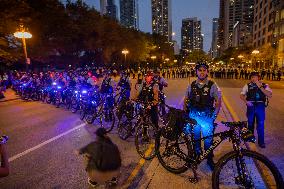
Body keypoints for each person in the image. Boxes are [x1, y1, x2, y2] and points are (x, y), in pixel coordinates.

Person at [184, 62, 221, 171]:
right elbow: (186, 100)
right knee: (195, 138)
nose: (202, 72)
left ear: (207, 72)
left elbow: (218, 102)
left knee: (208, 140)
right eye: (200, 70)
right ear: (196, 72)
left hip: (206, 118)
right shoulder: (191, 85)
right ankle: (196, 155)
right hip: (194, 117)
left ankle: (209, 158)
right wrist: (185, 113)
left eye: (204, 70)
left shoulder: (212, 85)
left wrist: (214, 116)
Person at [240, 71, 272, 148]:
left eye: (255, 77)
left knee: (260, 124)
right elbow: (241, 95)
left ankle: (261, 142)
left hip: (260, 106)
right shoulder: (247, 85)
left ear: (258, 77)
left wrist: (260, 87)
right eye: (252, 77)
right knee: (250, 124)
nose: (253, 78)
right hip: (251, 106)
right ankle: (251, 139)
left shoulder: (264, 85)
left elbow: (269, 95)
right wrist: (246, 101)